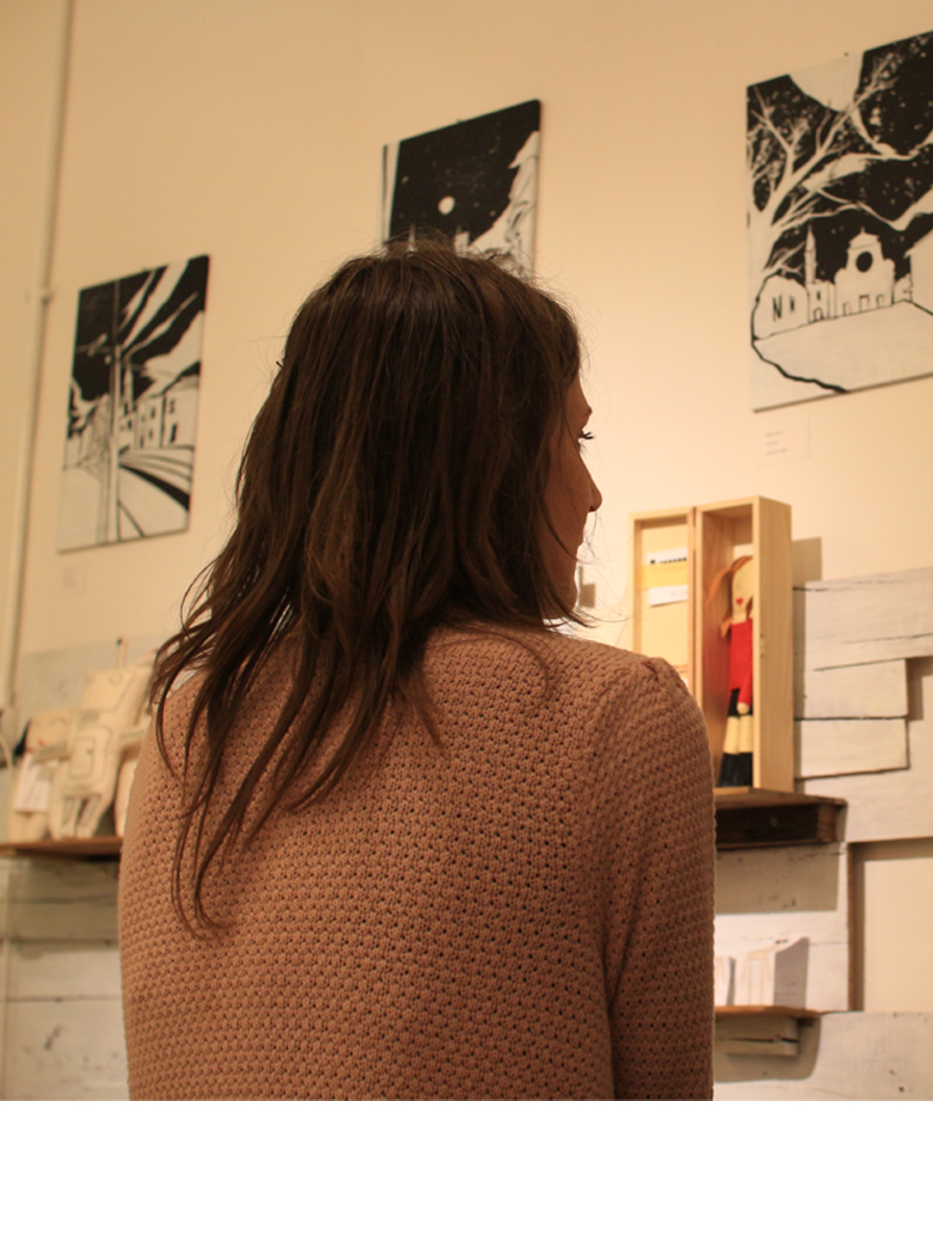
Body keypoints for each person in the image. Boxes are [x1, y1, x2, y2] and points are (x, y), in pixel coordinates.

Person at [118, 239, 714, 1099]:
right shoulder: (617, 716)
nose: (590, 492)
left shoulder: (186, 727)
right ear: (490, 456)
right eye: (576, 437)